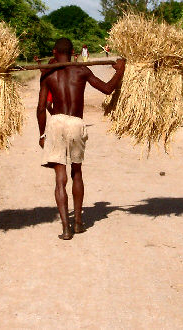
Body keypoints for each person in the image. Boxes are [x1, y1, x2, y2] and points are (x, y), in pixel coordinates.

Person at [37, 38, 125, 240]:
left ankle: (66, 228)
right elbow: (107, 88)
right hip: (76, 123)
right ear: (73, 52)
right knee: (77, 171)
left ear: (53, 52)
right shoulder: (81, 70)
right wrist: (120, 71)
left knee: (60, 177)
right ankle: (78, 223)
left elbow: (41, 109)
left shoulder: (48, 75)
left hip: (56, 122)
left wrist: (42, 134)